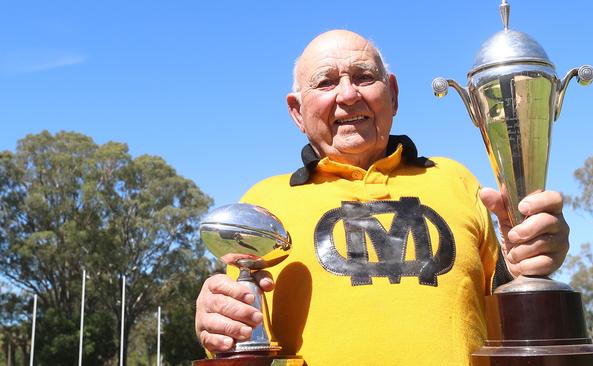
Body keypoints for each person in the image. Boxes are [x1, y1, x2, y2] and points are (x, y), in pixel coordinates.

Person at [195, 29, 569, 365]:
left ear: (392, 93)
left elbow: (505, 312)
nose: (348, 94)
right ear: (297, 112)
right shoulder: (262, 205)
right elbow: (237, 335)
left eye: (364, 77)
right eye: (325, 82)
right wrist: (217, 322)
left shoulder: (456, 180)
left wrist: (526, 259)